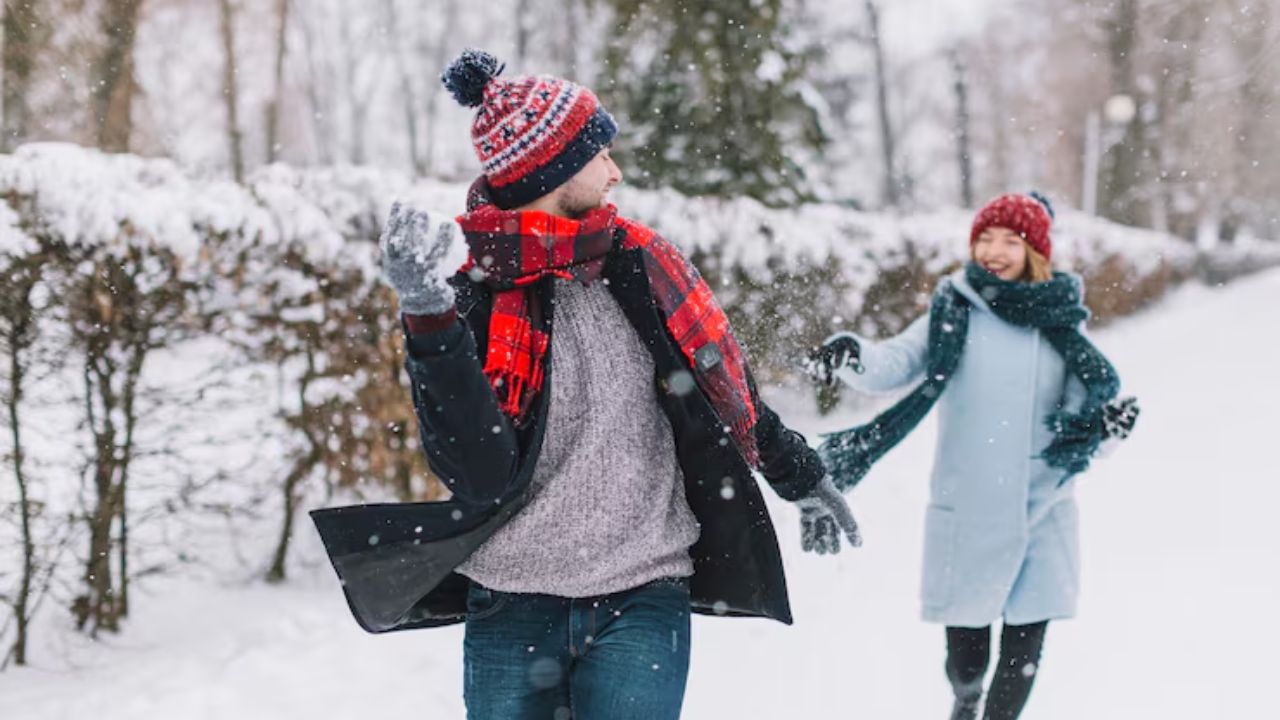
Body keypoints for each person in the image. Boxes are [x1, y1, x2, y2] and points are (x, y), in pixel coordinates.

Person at [310, 49, 860, 720]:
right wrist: (429, 317)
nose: (616, 170)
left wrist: (798, 474)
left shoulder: (641, 267)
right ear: (557, 168)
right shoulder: (473, 298)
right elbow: (476, 470)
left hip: (644, 592)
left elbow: (723, 391)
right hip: (512, 600)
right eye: (601, 154)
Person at [804, 192, 1139, 720]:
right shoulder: (953, 310)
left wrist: (1109, 430)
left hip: (1044, 506)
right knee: (967, 656)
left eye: (1011, 240)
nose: (994, 250)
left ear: (1037, 252)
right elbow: (895, 362)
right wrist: (854, 355)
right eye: (985, 238)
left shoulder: (1061, 326)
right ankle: (965, 702)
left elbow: (1085, 424)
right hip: (972, 507)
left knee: (1024, 651)